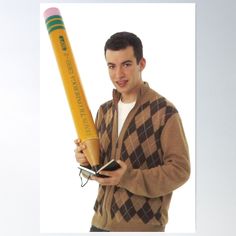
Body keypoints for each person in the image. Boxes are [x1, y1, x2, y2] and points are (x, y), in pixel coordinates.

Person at [74, 31, 190, 232]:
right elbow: (103, 163)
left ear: (141, 64)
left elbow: (180, 170)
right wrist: (86, 159)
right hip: (99, 224)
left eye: (126, 64)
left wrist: (128, 177)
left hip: (141, 227)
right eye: (112, 66)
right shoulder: (104, 111)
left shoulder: (164, 112)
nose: (118, 75)